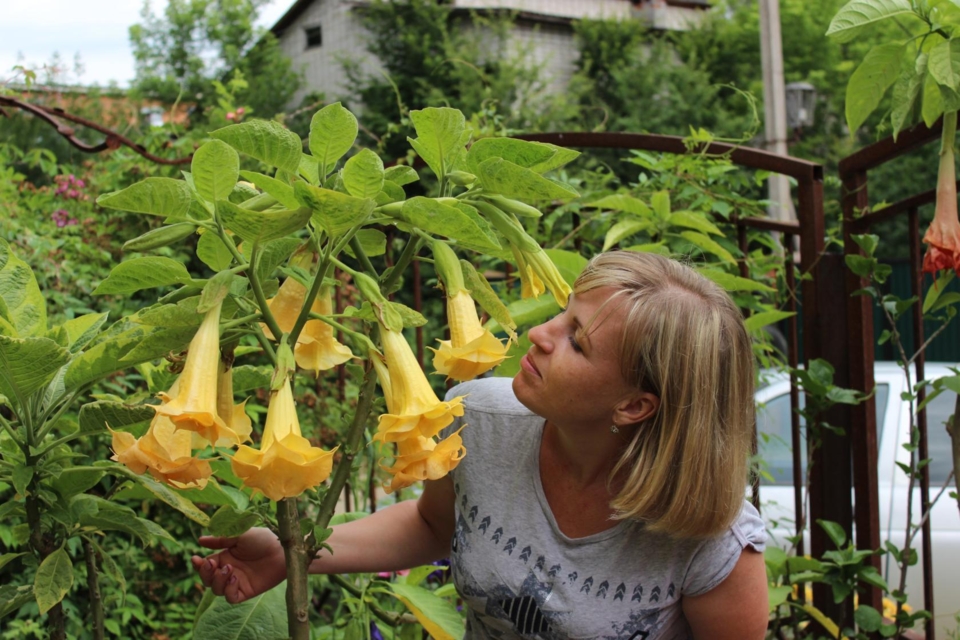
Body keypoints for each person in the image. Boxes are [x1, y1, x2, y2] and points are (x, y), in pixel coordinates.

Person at [192, 251, 769, 639]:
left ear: (634, 405)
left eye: (577, 341)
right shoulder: (479, 416)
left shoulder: (713, 543)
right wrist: (294, 551)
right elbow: (433, 527)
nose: (539, 335)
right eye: (563, 314)